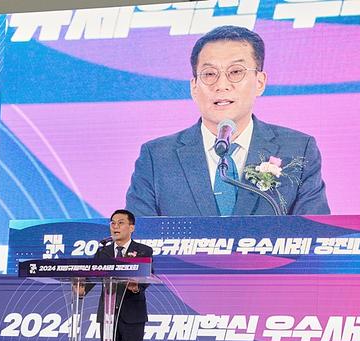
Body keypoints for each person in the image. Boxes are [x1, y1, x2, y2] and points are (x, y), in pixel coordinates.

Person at [125, 25, 330, 217]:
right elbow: (136, 237)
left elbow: (316, 234)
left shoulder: (298, 149)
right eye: (209, 74)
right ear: (194, 87)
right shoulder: (157, 157)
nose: (221, 85)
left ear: (260, 82)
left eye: (236, 72)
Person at [89, 209, 153, 341]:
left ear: (131, 227)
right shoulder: (103, 251)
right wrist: (81, 288)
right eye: (112, 223)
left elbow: (148, 275)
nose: (115, 226)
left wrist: (137, 286)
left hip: (132, 314)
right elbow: (92, 274)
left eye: (120, 222)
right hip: (108, 314)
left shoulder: (143, 250)